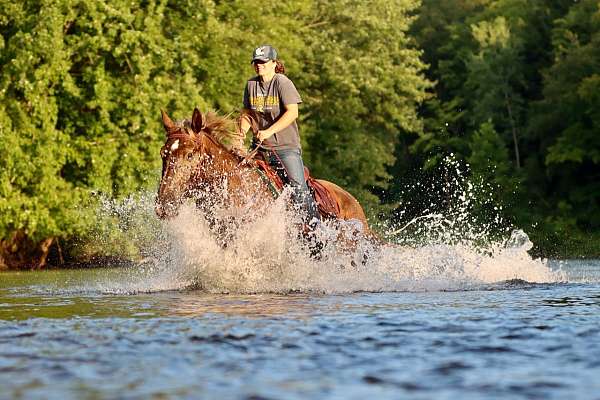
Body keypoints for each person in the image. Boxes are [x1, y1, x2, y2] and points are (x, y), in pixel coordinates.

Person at [235, 44, 320, 226]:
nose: (259, 65)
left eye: (264, 62)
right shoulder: (251, 85)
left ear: (274, 63)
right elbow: (247, 115)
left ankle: (315, 229)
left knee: (298, 187)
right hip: (259, 149)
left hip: (285, 149)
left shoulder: (282, 82)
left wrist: (268, 131)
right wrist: (239, 136)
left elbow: (292, 112)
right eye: (256, 62)